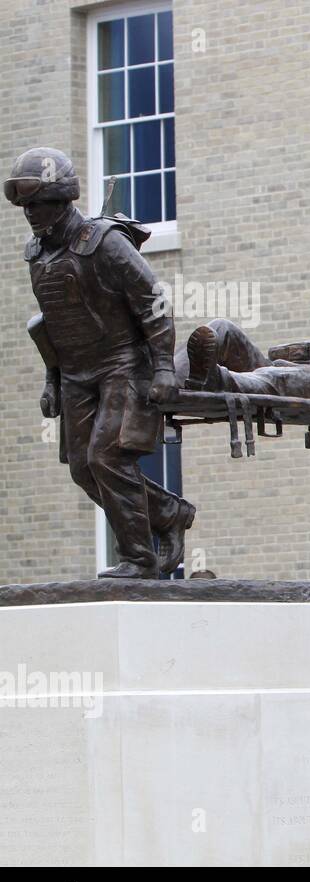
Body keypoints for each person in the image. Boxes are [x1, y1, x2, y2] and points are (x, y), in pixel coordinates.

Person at [6, 147, 194, 578]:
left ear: (62, 197)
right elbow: (54, 325)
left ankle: (139, 559)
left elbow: (155, 302)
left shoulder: (103, 242)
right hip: (75, 373)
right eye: (25, 206)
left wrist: (164, 367)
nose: (29, 213)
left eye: (37, 203)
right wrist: (52, 380)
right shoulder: (37, 254)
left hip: (121, 364)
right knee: (82, 468)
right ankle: (167, 512)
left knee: (106, 458)